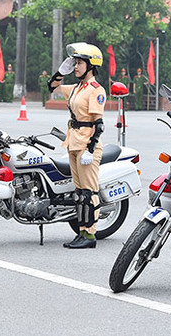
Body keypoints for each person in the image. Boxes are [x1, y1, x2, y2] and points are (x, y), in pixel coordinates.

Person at [47, 43, 106, 249]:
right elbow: (52, 87)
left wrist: (90, 150)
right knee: (79, 192)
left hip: (87, 146)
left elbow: (99, 124)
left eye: (79, 63)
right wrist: (59, 73)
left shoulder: (96, 90)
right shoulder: (77, 88)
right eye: (75, 63)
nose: (76, 66)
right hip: (73, 143)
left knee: (89, 192)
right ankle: (81, 232)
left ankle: (90, 235)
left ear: (91, 66)